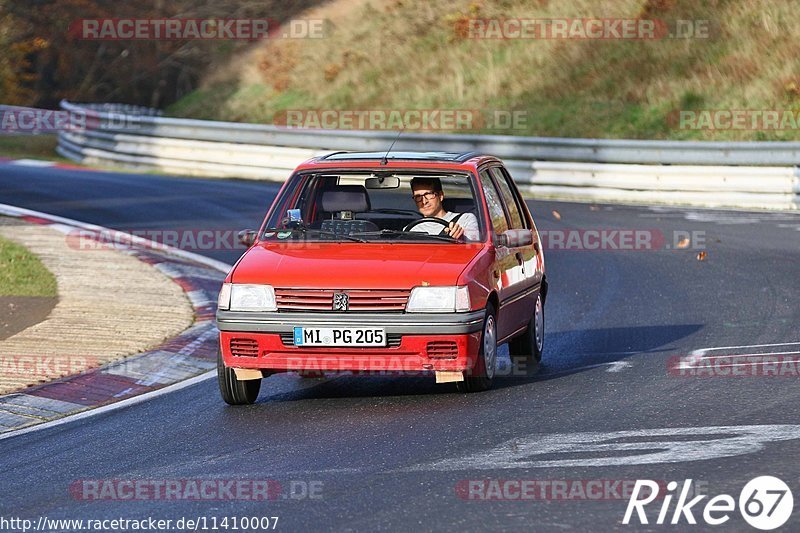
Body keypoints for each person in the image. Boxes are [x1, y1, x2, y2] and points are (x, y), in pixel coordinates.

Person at [409, 177, 479, 240]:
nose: (424, 201)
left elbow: (475, 247)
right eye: (418, 197)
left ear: (440, 196)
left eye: (429, 194)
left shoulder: (465, 220)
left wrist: (461, 238)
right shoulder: (410, 230)